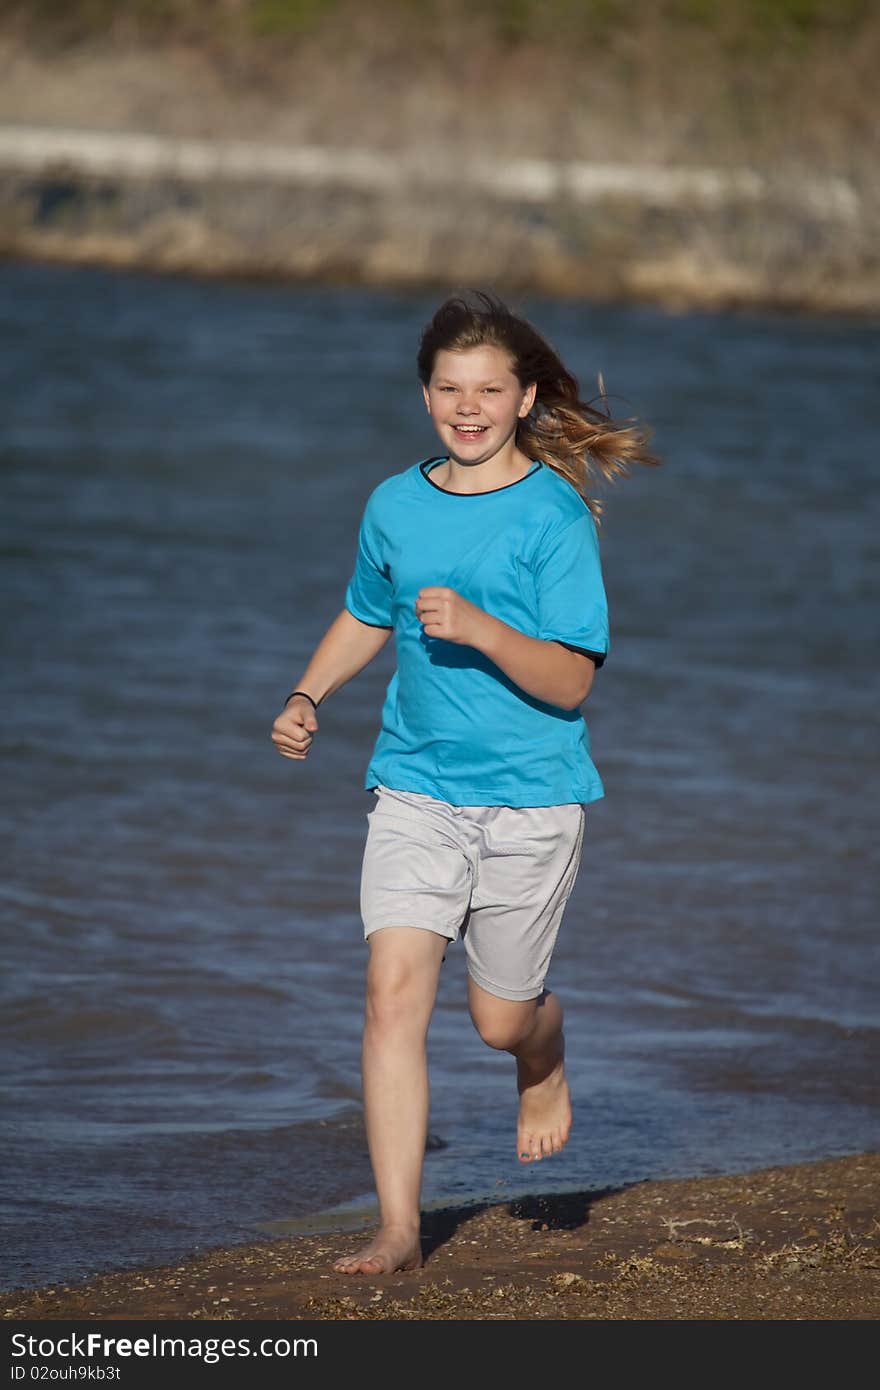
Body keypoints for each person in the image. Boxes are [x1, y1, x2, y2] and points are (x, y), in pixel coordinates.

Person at [271, 290, 660, 1277]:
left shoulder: (553, 514)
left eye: (489, 388)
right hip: (413, 786)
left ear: (527, 396)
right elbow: (366, 611)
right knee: (390, 991)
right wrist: (310, 692)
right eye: (450, 387)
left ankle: (544, 1053)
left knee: (497, 1019)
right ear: (426, 394)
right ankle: (399, 1230)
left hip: (531, 798)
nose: (468, 405)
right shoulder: (394, 502)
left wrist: (484, 629)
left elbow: (571, 680)